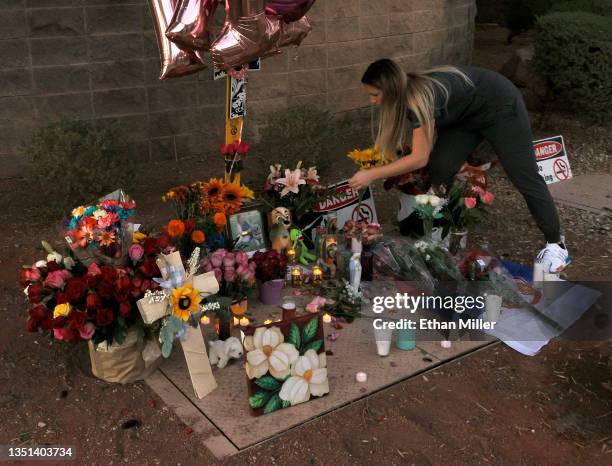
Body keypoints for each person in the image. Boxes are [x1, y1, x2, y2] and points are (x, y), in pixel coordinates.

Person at [348, 58, 570, 273]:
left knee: (524, 176)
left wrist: (372, 174)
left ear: (392, 89)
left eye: (375, 95)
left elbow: (418, 158)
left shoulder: (419, 99)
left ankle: (556, 245)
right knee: (440, 169)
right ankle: (440, 238)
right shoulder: (406, 97)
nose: (373, 101)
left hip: (499, 105)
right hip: (465, 118)